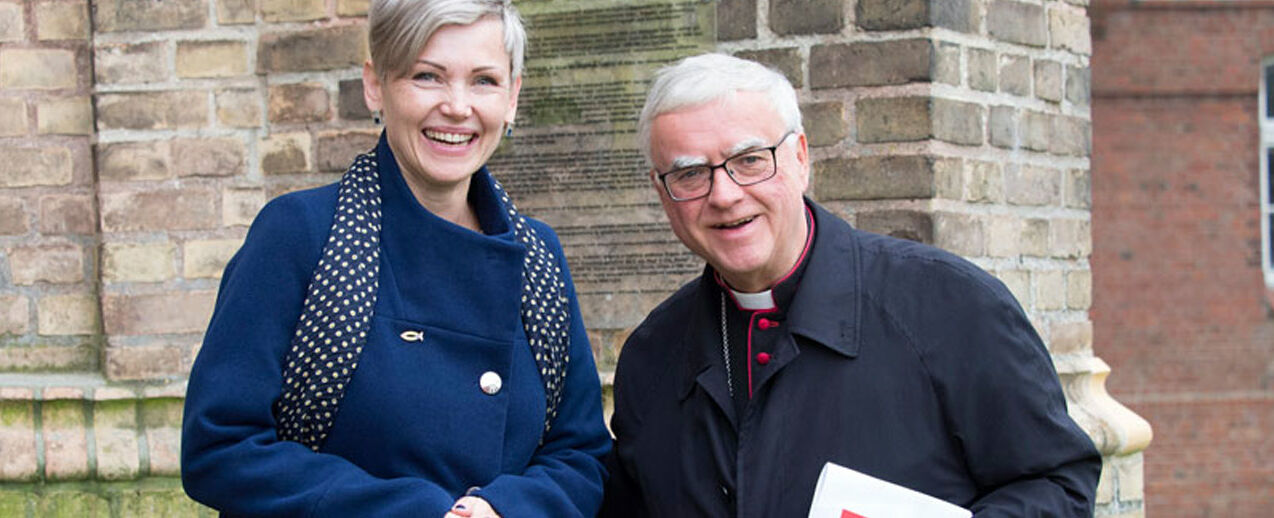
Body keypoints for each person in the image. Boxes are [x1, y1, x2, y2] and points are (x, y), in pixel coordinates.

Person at [600, 53, 1101, 517]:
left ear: (800, 158)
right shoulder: (652, 354)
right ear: (662, 192)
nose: (725, 195)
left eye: (750, 160)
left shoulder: (946, 304)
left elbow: (1058, 483)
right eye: (690, 174)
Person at [181, 1, 610, 517]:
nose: (457, 106)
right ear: (375, 86)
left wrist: (507, 509)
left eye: (484, 81)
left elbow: (582, 453)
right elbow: (221, 447)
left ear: (513, 97)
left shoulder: (538, 259)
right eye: (427, 76)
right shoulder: (301, 236)